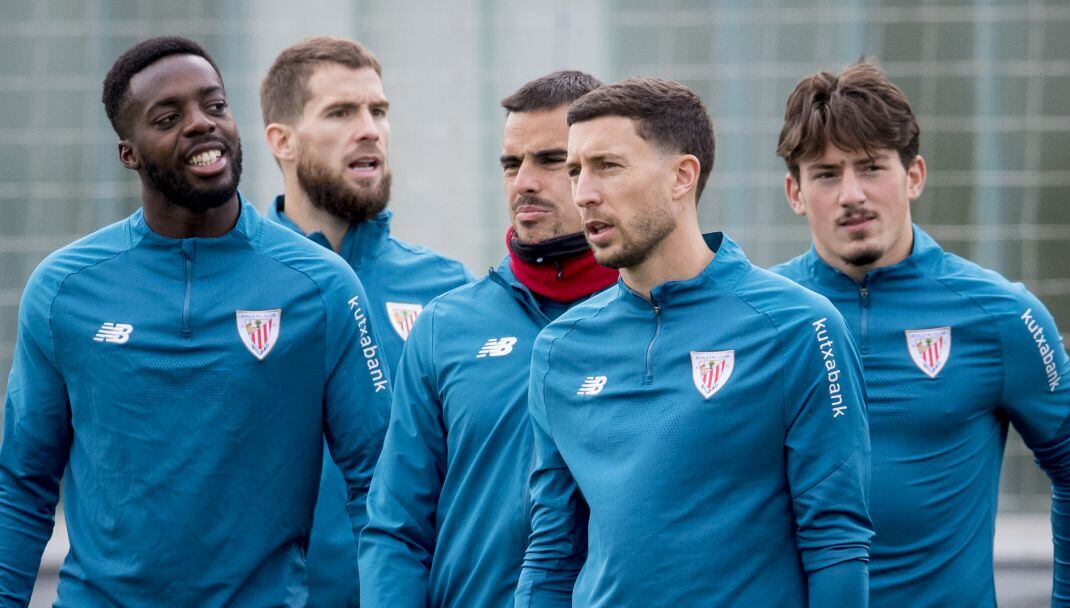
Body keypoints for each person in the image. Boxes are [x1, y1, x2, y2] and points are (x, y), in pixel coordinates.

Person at [0, 36, 391, 606]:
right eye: (169, 116)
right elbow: (21, 485)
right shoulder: (63, 289)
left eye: (215, 105)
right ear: (128, 153)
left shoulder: (322, 286)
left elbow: (378, 485)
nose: (202, 124)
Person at [515, 77, 874, 607]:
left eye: (607, 166)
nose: (584, 193)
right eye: (575, 171)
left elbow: (837, 545)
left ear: (683, 176)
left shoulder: (800, 328)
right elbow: (551, 553)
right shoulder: (557, 349)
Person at [772, 60, 1070, 607]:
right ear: (795, 193)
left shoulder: (1001, 314)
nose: (851, 195)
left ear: (913, 176)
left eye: (870, 168)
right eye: (826, 174)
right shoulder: (764, 318)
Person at [358, 71, 616, 607]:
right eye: (510, 164)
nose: (524, 182)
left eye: (549, 160)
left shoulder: (659, 317)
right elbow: (395, 529)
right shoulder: (445, 326)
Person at [259, 36, 473, 607]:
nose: (369, 129)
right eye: (340, 112)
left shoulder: (449, 291)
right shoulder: (235, 286)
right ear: (281, 140)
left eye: (378, 111)